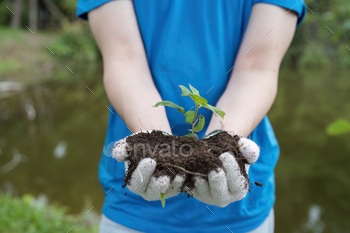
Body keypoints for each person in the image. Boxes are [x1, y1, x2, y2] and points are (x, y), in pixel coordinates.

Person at [77, 0, 306, 232]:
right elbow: (123, 58)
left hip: (240, 212)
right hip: (132, 207)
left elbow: (258, 66)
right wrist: (156, 143)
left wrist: (223, 141)